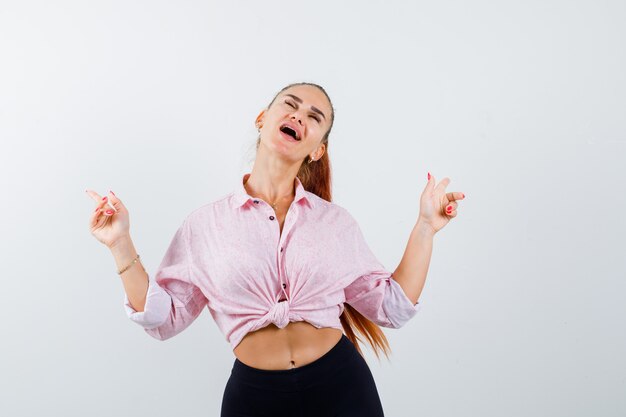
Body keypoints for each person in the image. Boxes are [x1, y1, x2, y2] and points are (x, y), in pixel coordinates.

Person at [86, 82, 465, 416]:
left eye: (314, 117)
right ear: (262, 119)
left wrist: (426, 226)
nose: (299, 117)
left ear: (318, 150)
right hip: (255, 399)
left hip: (342, 389)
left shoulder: (335, 223)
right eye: (291, 104)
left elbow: (392, 307)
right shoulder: (205, 226)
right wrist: (120, 243)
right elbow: (163, 319)